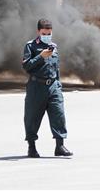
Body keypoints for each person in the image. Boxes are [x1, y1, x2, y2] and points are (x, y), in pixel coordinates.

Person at [22, 19, 73, 158]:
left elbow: (56, 67)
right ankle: (31, 148)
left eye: (49, 33)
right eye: (44, 33)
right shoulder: (31, 46)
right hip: (36, 86)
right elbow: (26, 66)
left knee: (59, 115)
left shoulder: (54, 46)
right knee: (32, 117)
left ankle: (60, 146)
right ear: (38, 32)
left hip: (53, 86)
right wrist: (40, 56)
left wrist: (58, 84)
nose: (47, 36)